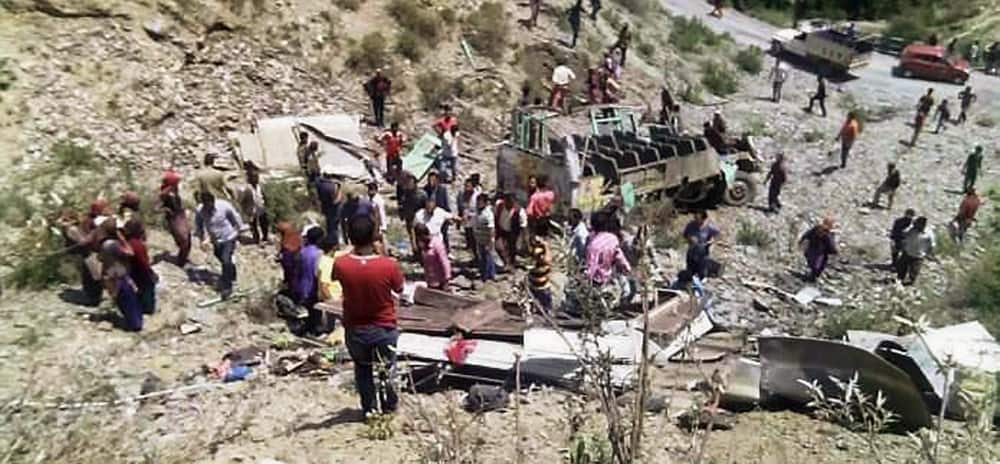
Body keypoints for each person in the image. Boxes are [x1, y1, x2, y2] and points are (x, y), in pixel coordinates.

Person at [334, 215, 405, 416]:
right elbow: (399, 289)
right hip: (384, 326)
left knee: (362, 369)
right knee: (388, 367)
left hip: (355, 328)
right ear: (375, 236)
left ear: (349, 237)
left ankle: (369, 408)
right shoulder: (389, 265)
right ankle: (389, 406)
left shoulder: (341, 264)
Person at [194, 191, 244, 298]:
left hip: (229, 237)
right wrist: (202, 240)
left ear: (213, 201)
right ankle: (232, 274)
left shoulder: (224, 206)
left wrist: (239, 229)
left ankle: (227, 287)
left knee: (226, 260)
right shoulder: (200, 210)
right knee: (221, 258)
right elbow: (199, 226)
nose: (208, 208)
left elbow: (235, 217)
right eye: (206, 205)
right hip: (216, 240)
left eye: (210, 205)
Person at [97, 217, 143, 331]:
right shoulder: (112, 244)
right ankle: (135, 325)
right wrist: (122, 239)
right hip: (118, 276)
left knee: (124, 300)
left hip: (111, 274)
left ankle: (133, 322)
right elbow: (130, 252)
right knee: (127, 300)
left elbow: (100, 258)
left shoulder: (105, 244)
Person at [586, 211, 632, 305]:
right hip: (609, 277)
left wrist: (587, 280)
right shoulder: (613, 238)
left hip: (597, 280)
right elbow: (619, 255)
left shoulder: (593, 243)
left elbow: (592, 265)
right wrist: (626, 267)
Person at [123, 218, 156, 317]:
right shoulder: (137, 244)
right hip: (141, 271)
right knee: (148, 288)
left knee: (141, 289)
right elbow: (143, 261)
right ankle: (147, 308)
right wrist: (150, 272)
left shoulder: (128, 242)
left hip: (132, 270)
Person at [159, 171, 191, 267]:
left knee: (188, 238)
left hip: (180, 216)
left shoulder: (173, 190)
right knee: (183, 240)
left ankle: (183, 259)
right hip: (174, 219)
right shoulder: (165, 193)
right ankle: (181, 262)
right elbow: (157, 207)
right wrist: (166, 210)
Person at [300, 226, 325, 333]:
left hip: (301, 287)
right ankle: (316, 329)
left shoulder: (302, 252)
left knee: (310, 311)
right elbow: (318, 273)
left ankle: (308, 327)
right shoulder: (319, 254)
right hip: (313, 289)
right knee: (316, 312)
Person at [397, 172, 427, 256]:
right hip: (409, 218)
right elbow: (402, 204)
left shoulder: (422, 194)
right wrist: (401, 214)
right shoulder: (405, 193)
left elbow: (425, 206)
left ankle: (422, 254)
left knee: (421, 236)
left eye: (410, 182)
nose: (408, 184)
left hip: (420, 219)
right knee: (412, 236)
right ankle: (416, 253)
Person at [799, 217, 838, 282]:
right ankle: (810, 277)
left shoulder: (821, 230)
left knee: (814, 266)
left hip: (816, 252)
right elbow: (831, 246)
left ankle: (810, 277)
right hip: (816, 252)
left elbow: (806, 235)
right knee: (815, 266)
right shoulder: (823, 232)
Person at [897, 216, 933, 285]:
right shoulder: (911, 230)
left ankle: (909, 284)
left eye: (918, 224)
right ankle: (899, 280)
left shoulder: (928, 233)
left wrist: (928, 253)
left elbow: (931, 244)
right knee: (901, 268)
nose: (916, 225)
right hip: (907, 252)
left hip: (918, 256)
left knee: (914, 271)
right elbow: (903, 234)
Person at [414, 223, 451, 290]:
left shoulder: (436, 244)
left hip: (440, 279)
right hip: (430, 278)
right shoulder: (422, 244)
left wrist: (447, 279)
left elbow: (444, 262)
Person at [496, 192, 527, 269]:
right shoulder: (499, 206)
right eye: (507, 201)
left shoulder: (519, 211)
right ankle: (505, 261)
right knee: (498, 246)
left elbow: (523, 225)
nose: (508, 204)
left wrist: (524, 238)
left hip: (513, 232)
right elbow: (495, 215)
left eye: (510, 202)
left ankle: (511, 264)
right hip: (501, 230)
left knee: (512, 248)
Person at [422, 171, 452, 248]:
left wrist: (448, 213)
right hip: (430, 213)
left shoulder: (442, 189)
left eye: (433, 180)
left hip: (441, 213)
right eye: (430, 180)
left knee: (444, 232)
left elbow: (446, 202)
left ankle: (446, 250)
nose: (431, 182)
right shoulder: (425, 190)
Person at [276, 222, 304, 303]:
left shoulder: (287, 244)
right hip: (296, 265)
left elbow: (287, 266)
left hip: (291, 266)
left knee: (292, 281)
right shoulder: (296, 238)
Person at [472, 194, 497, 281]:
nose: (479, 203)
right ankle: (486, 274)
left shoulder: (488, 214)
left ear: (485, 203)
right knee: (483, 257)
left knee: (488, 257)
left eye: (481, 202)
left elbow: (491, 229)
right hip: (479, 238)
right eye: (478, 202)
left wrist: (490, 242)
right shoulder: (477, 211)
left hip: (487, 239)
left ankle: (487, 276)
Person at [315, 165, 343, 245]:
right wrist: (339, 188)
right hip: (333, 210)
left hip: (325, 208)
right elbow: (336, 201)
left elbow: (317, 179)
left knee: (329, 226)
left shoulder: (319, 184)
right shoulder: (331, 187)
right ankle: (335, 243)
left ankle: (330, 242)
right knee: (334, 228)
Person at [240, 169, 268, 245]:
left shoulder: (260, 187)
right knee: (253, 225)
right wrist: (245, 210)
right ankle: (256, 239)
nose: (256, 179)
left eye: (257, 177)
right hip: (252, 210)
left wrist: (266, 204)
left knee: (264, 223)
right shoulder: (247, 188)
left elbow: (264, 196)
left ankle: (265, 237)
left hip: (261, 208)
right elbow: (243, 200)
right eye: (254, 177)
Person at [317, 235, 348, 303]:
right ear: (335, 247)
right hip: (334, 298)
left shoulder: (324, 258)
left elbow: (346, 253)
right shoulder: (327, 263)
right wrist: (332, 302)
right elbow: (324, 286)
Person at [456, 177, 482, 255]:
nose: (466, 188)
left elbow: (480, 210)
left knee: (476, 241)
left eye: (468, 186)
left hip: (476, 223)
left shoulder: (477, 196)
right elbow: (461, 208)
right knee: (471, 241)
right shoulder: (462, 195)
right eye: (465, 186)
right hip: (467, 222)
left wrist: (471, 215)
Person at [528, 235, 553, 313]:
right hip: (540, 284)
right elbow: (548, 259)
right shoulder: (538, 251)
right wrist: (546, 246)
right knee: (544, 306)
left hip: (539, 283)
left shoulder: (538, 250)